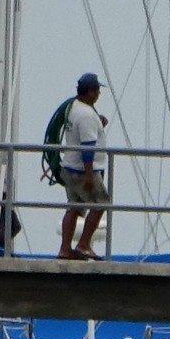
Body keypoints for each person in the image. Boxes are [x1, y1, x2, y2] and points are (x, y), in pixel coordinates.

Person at [56, 72, 110, 260]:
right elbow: (87, 147)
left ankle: (65, 249)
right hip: (82, 170)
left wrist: (99, 122)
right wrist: (89, 175)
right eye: (96, 90)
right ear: (89, 92)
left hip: (69, 167)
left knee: (74, 207)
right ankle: (84, 244)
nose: (98, 95)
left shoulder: (74, 108)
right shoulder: (87, 115)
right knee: (102, 203)